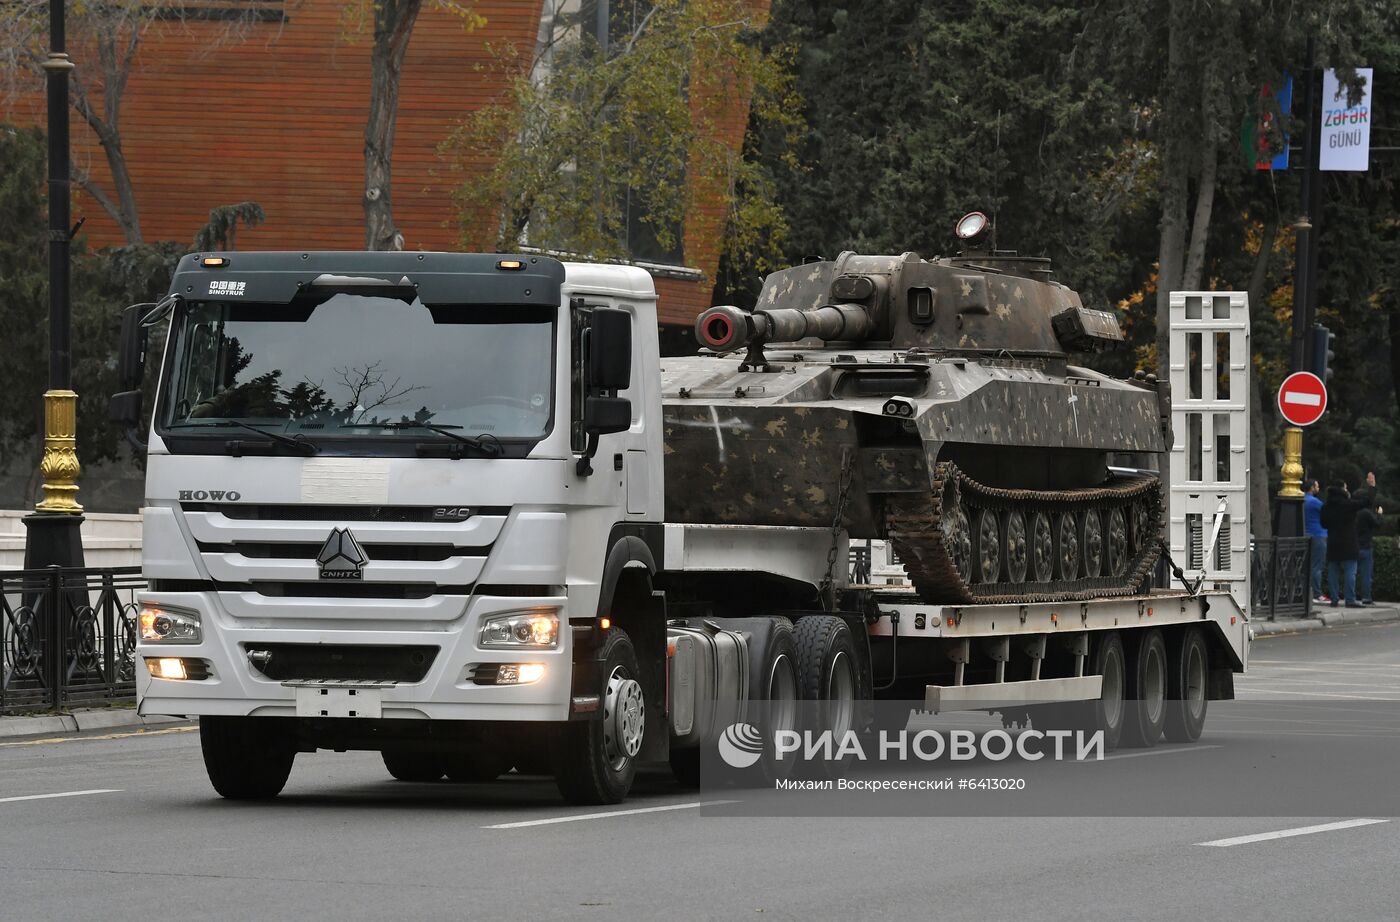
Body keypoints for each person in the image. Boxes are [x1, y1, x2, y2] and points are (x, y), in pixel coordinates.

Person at [1319, 471, 1377, 608]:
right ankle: (1349, 599)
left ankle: (1334, 598)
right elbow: (1367, 501)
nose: (1347, 490)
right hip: (1349, 541)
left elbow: (1323, 524)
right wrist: (1372, 487)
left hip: (1333, 541)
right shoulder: (1348, 504)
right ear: (1341, 490)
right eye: (1345, 487)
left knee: (1333, 570)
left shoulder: (1325, 507)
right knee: (1350, 571)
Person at [1304, 479, 1328, 602]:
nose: (1318, 488)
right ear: (1312, 488)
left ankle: (1308, 592)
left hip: (1306, 534)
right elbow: (1327, 513)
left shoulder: (1302, 500)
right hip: (1319, 534)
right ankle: (1317, 593)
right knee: (1317, 566)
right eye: (1317, 486)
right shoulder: (1315, 502)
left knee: (1307, 565)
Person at [1356, 501, 1382, 606]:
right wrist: (1379, 514)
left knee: (1352, 573)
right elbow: (1377, 524)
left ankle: (1352, 595)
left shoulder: (1353, 512)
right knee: (1366, 574)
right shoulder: (1366, 513)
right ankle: (1366, 597)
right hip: (1366, 546)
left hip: (1354, 545)